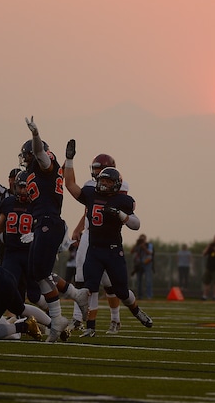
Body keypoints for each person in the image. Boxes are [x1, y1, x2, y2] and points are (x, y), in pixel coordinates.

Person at [63, 138, 153, 338]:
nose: (103, 183)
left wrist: (120, 215)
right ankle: (90, 326)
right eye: (102, 180)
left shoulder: (122, 200)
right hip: (95, 249)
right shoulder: (91, 193)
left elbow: (136, 223)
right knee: (89, 287)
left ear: (116, 184)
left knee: (121, 291)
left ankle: (136, 311)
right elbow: (69, 184)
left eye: (108, 181)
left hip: (113, 251)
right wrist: (69, 160)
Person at [21, 116, 89, 341]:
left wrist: (35, 135)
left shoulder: (44, 162)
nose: (25, 159)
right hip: (43, 223)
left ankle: (66, 307)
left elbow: (41, 154)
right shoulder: (35, 172)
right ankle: (66, 307)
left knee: (40, 272)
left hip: (50, 222)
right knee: (36, 273)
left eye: (27, 154)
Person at [68, 153, 129, 334]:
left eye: (98, 169)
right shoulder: (89, 186)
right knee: (82, 278)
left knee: (109, 282)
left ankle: (115, 319)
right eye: (94, 169)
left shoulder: (120, 186)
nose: (95, 173)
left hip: (108, 238)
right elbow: (89, 210)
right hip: (90, 234)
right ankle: (78, 319)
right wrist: (79, 228)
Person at [0, 169, 49, 314]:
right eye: (19, 187)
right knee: (7, 285)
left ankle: (51, 314)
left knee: (34, 295)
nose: (22, 191)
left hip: (30, 254)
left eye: (25, 187)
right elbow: (0, 226)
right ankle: (17, 319)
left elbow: (46, 228)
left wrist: (35, 235)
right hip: (12, 253)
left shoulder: (39, 204)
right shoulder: (8, 203)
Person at [131, 234, 154, 299]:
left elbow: (150, 253)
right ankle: (139, 296)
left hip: (147, 263)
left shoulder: (148, 245)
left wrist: (144, 247)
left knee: (148, 280)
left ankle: (149, 296)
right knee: (139, 281)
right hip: (139, 264)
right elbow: (132, 251)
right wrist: (136, 244)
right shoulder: (137, 246)